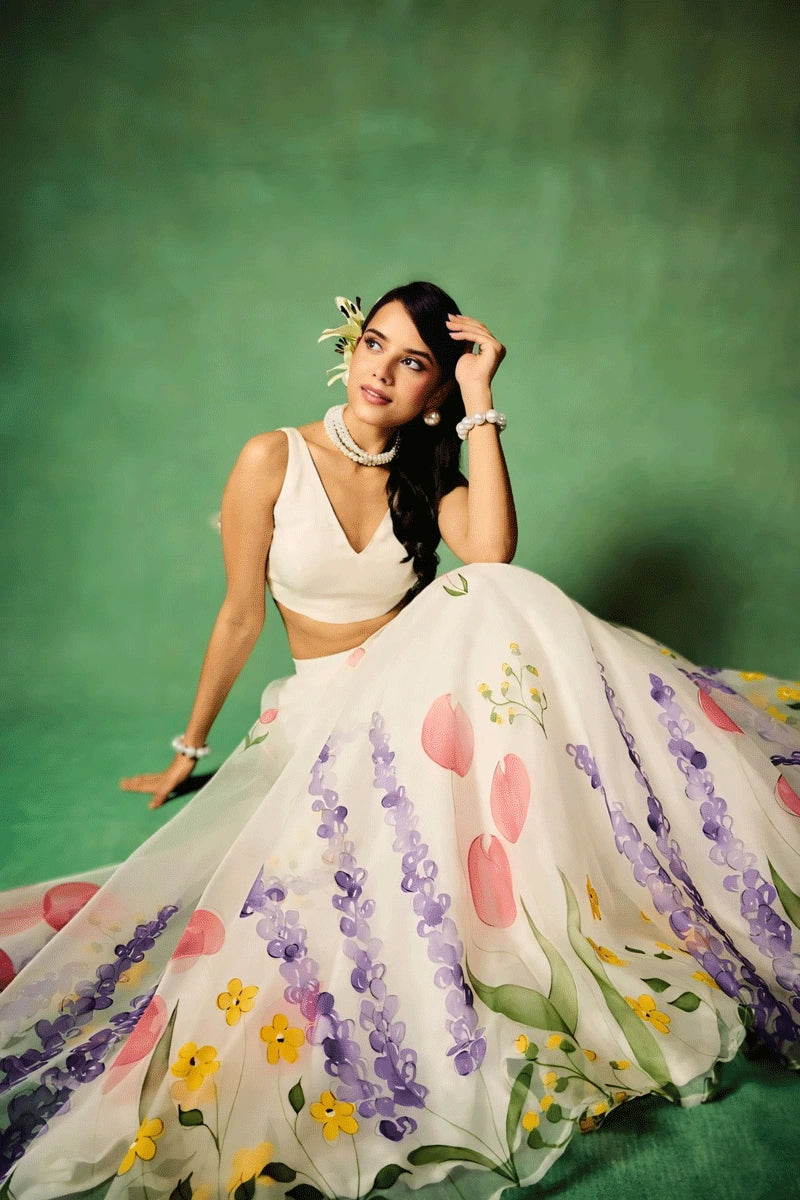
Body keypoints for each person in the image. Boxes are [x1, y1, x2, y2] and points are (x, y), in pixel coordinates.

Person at [1, 282, 799, 1199]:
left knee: (485, 589)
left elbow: (492, 554)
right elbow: (239, 615)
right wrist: (190, 748)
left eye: (412, 361)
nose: (379, 369)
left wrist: (482, 397)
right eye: (372, 343)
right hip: (322, 713)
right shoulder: (272, 457)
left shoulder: (429, 480)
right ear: (348, 346)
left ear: (434, 391)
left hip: (422, 702)